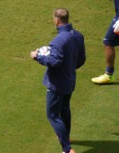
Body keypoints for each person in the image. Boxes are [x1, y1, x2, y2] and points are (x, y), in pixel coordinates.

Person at [30, 8, 86, 153]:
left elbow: (54, 62)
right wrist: (70, 68)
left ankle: (67, 149)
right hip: (70, 80)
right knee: (65, 108)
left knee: (53, 115)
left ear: (56, 21)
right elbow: (81, 60)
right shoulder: (78, 36)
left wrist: (37, 56)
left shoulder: (58, 41)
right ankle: (66, 137)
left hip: (57, 84)